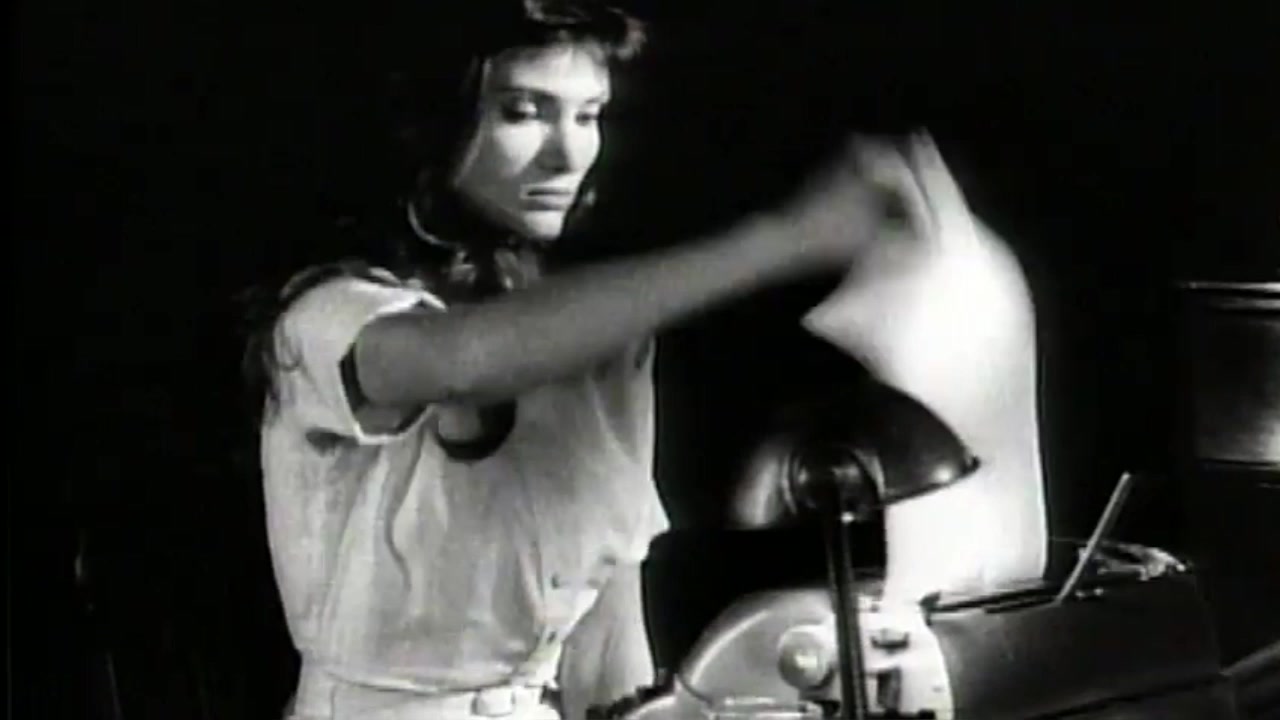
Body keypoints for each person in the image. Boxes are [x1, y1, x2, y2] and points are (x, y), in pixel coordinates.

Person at [243, 1, 915, 718]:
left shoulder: (603, 343)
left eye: (589, 115)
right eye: (522, 112)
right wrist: (784, 240)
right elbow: (463, 360)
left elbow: (606, 650)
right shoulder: (325, 316)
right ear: (433, 123)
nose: (567, 154)